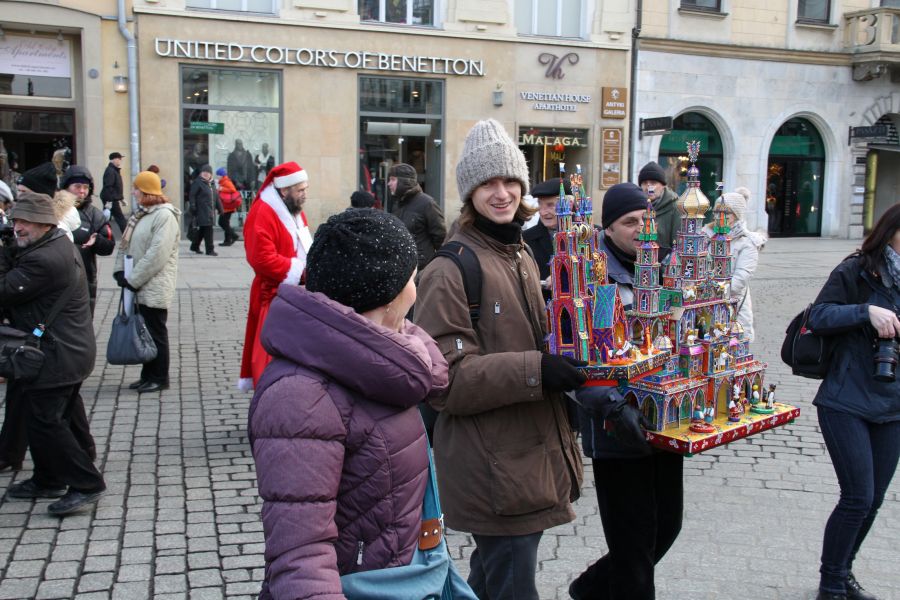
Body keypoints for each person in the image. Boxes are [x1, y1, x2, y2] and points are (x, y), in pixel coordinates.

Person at [414, 119, 585, 600]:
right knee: (511, 584)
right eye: (488, 182)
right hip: (492, 465)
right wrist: (538, 369)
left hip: (523, 455)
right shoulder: (450, 269)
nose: (501, 192)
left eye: (510, 180)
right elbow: (445, 379)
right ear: (469, 191)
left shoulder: (519, 253)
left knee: (493, 579)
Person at [249, 208, 453, 598]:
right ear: (387, 293)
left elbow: (435, 374)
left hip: (402, 578)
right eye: (412, 278)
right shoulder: (300, 397)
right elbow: (300, 554)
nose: (416, 288)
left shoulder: (393, 358)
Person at [568, 182, 684, 600]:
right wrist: (613, 408)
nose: (640, 228)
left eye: (646, 219)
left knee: (667, 527)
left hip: (665, 423)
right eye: (629, 221)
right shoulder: (594, 274)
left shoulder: (662, 265)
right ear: (610, 227)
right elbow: (579, 361)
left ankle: (589, 589)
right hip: (617, 427)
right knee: (633, 548)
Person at [806, 204, 900, 600]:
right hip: (846, 398)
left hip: (892, 402)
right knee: (858, 495)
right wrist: (866, 312)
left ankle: (844, 573)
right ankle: (830, 584)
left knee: (874, 499)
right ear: (892, 231)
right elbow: (819, 316)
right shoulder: (858, 269)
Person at [0, 192, 106, 516]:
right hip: (64, 349)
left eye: (25, 222)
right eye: (16, 220)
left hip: (57, 353)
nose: (18, 228)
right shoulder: (55, 242)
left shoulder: (45, 259)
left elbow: (4, 291)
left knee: (46, 421)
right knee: (57, 415)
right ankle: (48, 478)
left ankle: (86, 482)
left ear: (45, 223)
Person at [239, 162, 313, 391]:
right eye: (300, 190)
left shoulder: (294, 210)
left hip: (294, 292)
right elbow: (260, 258)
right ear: (284, 190)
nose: (305, 195)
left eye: (306, 189)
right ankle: (269, 399)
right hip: (271, 295)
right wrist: (299, 270)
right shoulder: (263, 212)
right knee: (269, 355)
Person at [113, 171, 180, 394]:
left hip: (154, 284)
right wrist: (120, 271)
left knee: (155, 332)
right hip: (138, 283)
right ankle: (147, 375)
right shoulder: (140, 215)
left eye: (136, 188)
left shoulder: (164, 216)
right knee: (144, 332)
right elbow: (126, 245)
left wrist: (133, 279)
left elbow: (157, 254)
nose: (133, 192)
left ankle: (160, 377)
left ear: (146, 191)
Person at [703, 186, 766, 340]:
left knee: (733, 345)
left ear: (736, 215)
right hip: (705, 303)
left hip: (733, 305)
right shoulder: (706, 235)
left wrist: (713, 292)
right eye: (717, 212)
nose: (719, 216)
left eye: (725, 212)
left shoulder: (747, 242)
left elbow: (741, 278)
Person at [60, 165, 115, 315]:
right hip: (56, 278)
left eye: (86, 187)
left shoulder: (95, 215)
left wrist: (97, 241)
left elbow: (109, 245)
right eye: (77, 186)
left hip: (84, 279)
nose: (82, 191)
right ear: (66, 187)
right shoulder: (54, 209)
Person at [388, 163, 447, 272]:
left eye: (392, 179)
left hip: (421, 269)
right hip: (401, 266)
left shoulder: (427, 203)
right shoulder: (397, 204)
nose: (389, 183)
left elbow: (440, 237)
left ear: (404, 181)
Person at [524, 177, 571, 300]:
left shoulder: (590, 236)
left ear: (569, 205)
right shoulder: (526, 239)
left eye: (550, 205)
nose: (543, 212)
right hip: (545, 313)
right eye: (540, 205)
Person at [638, 161, 680, 255]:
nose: (648, 186)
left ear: (663, 185)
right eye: (645, 183)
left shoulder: (675, 206)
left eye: (653, 182)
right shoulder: (637, 206)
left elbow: (677, 244)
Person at [188, 164, 221, 256]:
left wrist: (220, 208)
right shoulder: (197, 182)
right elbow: (192, 195)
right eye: (204, 172)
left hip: (210, 211)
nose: (206, 174)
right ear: (201, 173)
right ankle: (210, 250)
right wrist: (193, 205)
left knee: (202, 229)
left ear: (211, 174)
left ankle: (194, 246)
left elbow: (216, 197)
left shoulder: (212, 184)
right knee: (208, 230)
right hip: (201, 211)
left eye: (208, 172)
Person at [101, 152, 128, 233]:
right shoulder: (110, 171)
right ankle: (127, 235)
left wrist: (121, 198)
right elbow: (108, 186)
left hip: (112, 198)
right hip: (111, 199)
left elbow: (117, 187)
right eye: (119, 159)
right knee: (120, 218)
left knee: (106, 218)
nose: (120, 161)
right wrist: (109, 201)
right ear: (114, 159)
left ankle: (103, 233)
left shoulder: (114, 170)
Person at [216, 167, 241, 246]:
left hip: (228, 207)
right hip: (226, 206)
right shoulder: (222, 181)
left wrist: (221, 188)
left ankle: (234, 236)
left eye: (218, 175)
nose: (217, 176)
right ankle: (227, 241)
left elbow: (233, 189)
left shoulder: (226, 181)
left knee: (222, 223)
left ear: (222, 175)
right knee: (225, 223)